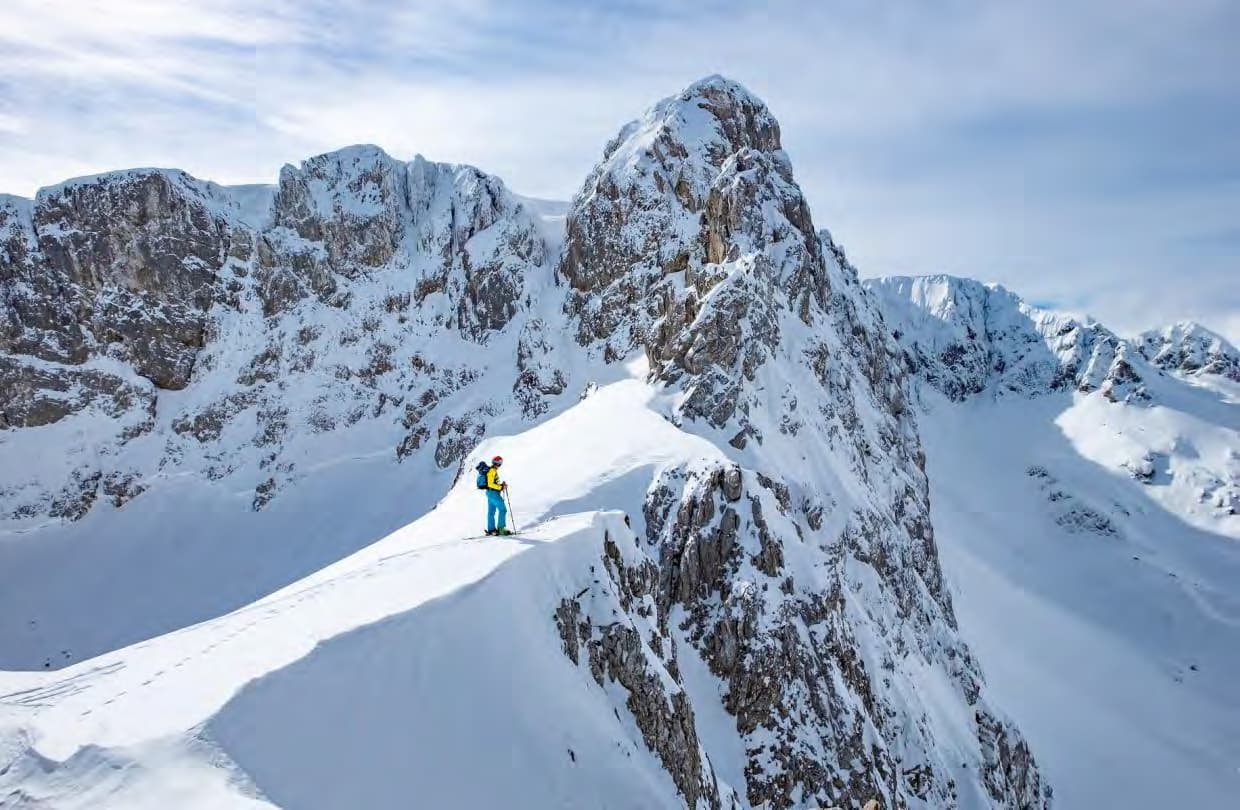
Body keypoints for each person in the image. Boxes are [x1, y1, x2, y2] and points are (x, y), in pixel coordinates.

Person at [483, 455, 510, 536]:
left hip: (490, 493)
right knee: (503, 510)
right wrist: (501, 487)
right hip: (493, 493)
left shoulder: (491, 470)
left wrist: (501, 485)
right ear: (498, 463)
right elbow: (490, 484)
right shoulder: (492, 471)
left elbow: (493, 483)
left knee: (491, 512)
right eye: (500, 462)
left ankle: (491, 529)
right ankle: (501, 529)